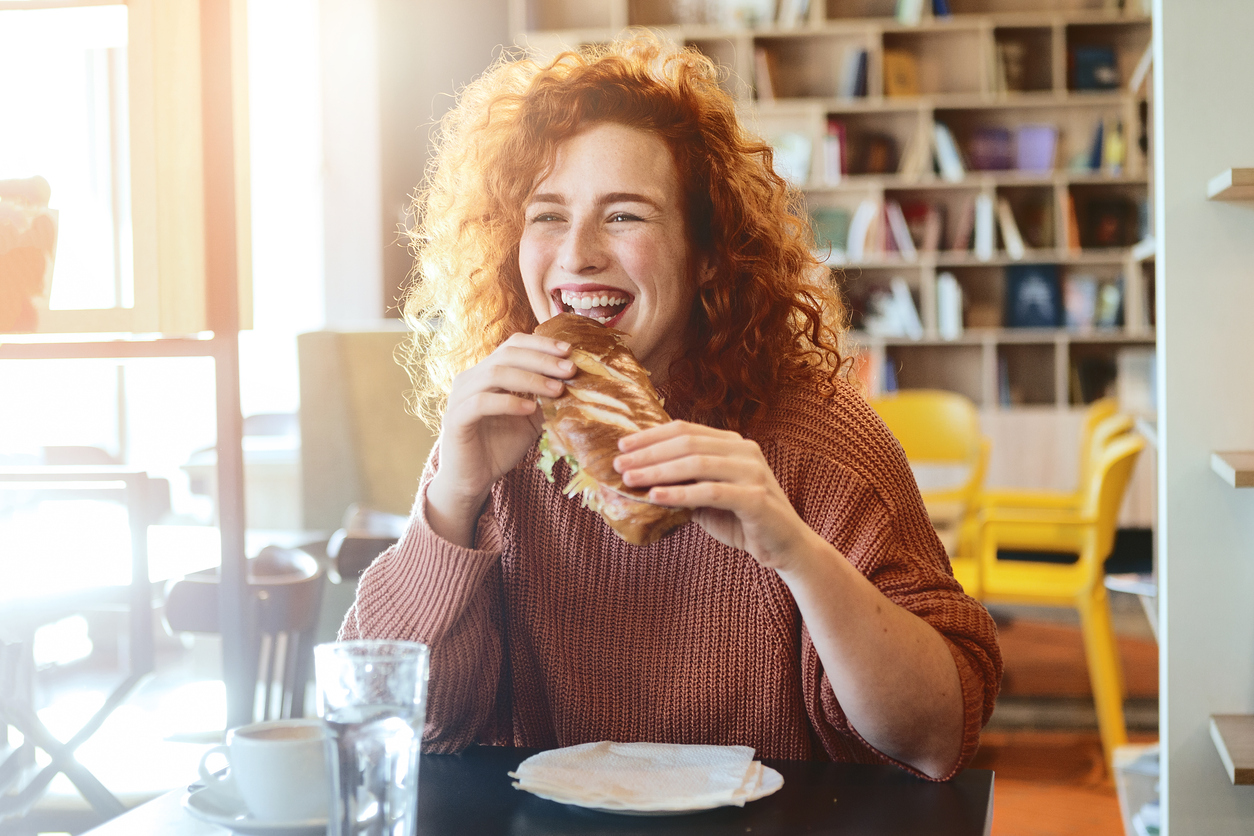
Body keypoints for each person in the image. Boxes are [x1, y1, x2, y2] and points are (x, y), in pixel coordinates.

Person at [339, 33, 1001, 781]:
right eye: (548, 215)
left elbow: (938, 736)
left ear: (708, 252)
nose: (579, 252)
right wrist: (450, 501)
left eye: (624, 216)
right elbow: (392, 725)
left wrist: (794, 551)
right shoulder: (496, 436)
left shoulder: (818, 439)